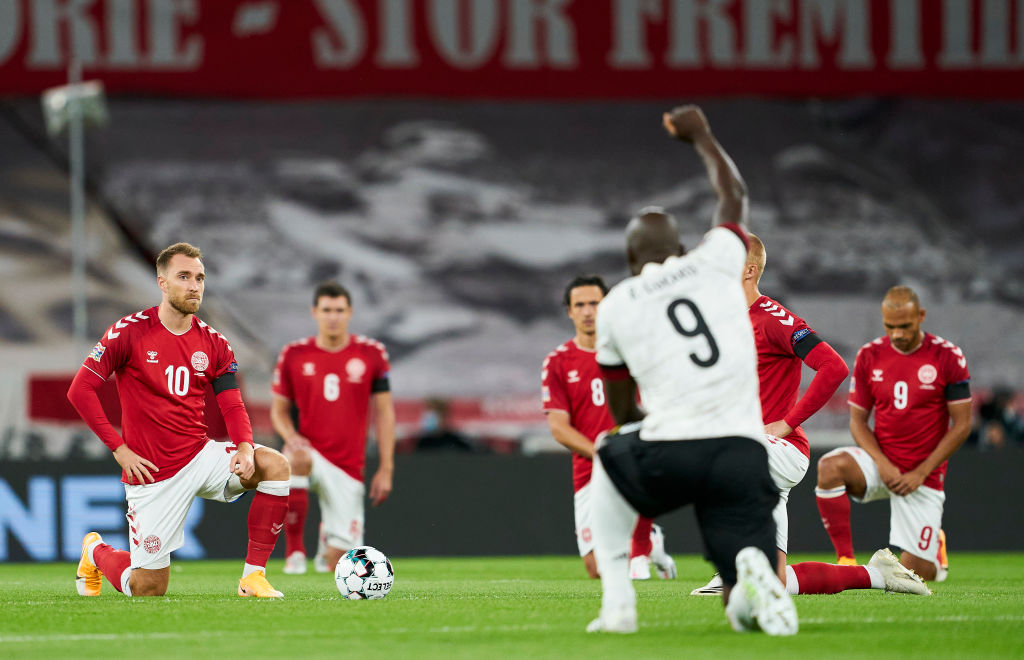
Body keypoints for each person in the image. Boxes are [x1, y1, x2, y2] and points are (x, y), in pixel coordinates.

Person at [586, 104, 797, 635]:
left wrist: (647, 425)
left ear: (631, 259)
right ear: (681, 248)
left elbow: (619, 408)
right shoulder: (714, 263)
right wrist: (701, 136)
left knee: (607, 455)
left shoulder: (618, 302)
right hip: (745, 451)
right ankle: (752, 570)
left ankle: (618, 606)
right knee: (739, 563)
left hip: (674, 449)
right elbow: (734, 196)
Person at [692, 236, 929, 598]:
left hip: (779, 449)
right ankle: (876, 575)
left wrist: (787, 422)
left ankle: (733, 565)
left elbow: (833, 367)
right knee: (776, 583)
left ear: (749, 270)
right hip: (754, 457)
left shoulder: (772, 318)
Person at [67, 242, 291, 598]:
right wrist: (119, 449)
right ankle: (95, 550)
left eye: (200, 278)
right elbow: (80, 390)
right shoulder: (129, 331)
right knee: (148, 589)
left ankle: (253, 578)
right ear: (162, 282)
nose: (194, 285)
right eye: (183, 276)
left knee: (275, 465)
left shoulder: (214, 343)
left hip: (200, 456)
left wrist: (246, 448)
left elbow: (232, 405)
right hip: (151, 473)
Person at [816, 285, 972, 583]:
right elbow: (858, 422)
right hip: (881, 463)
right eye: (890, 326)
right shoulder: (870, 355)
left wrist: (921, 471)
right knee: (829, 467)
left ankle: (935, 553)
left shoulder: (947, 356)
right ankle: (846, 560)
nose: (897, 334)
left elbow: (962, 425)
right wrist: (883, 464)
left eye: (905, 326)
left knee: (915, 575)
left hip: (922, 476)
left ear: (921, 316)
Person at [542, 275, 676, 582]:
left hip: (633, 461)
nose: (588, 311)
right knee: (596, 570)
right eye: (580, 305)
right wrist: (601, 454)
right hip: (589, 468)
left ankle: (641, 540)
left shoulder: (632, 352)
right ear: (569, 311)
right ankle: (651, 539)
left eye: (594, 303)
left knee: (620, 568)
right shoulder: (558, 362)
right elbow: (559, 428)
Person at [271, 282, 396, 575]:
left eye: (339, 310)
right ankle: (295, 551)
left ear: (349, 312)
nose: (333, 317)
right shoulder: (294, 354)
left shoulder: (372, 354)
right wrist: (292, 436)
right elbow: (278, 411)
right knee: (295, 457)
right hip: (311, 451)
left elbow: (385, 412)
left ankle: (328, 537)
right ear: (315, 312)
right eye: (327, 310)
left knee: (339, 564)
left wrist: (387, 468)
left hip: (349, 466)